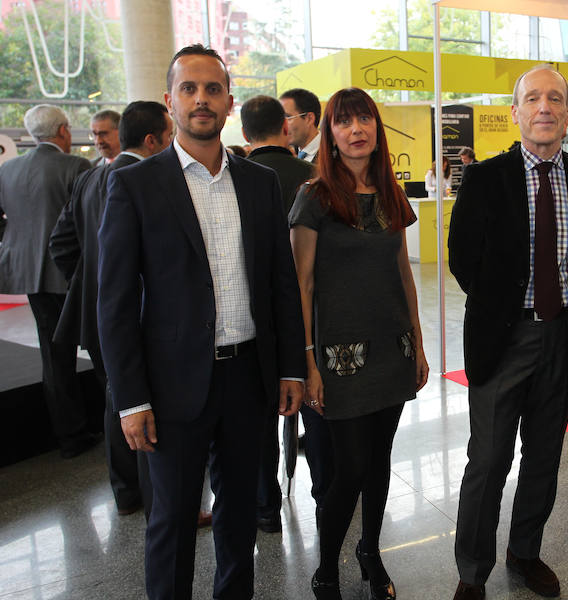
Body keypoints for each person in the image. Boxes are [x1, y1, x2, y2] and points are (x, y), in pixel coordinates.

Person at [97, 45, 306, 600]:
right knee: (171, 522)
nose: (201, 100)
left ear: (230, 102)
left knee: (239, 517)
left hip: (247, 378)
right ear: (170, 103)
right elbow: (114, 302)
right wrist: (131, 400)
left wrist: (290, 367)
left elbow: (281, 284)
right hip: (171, 387)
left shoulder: (259, 183)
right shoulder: (137, 185)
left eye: (213, 89)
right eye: (189, 89)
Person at [448, 64, 568, 600]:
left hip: (562, 337)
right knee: (489, 460)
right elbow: (463, 259)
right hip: (503, 340)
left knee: (544, 456)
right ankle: (472, 572)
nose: (545, 107)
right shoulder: (486, 178)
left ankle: (525, 551)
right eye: (533, 98)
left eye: (555, 98)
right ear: (515, 113)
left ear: (567, 113)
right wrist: (503, 306)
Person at [288, 86, 429, 600]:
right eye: (344, 122)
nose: (356, 130)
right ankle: (327, 564)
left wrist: (418, 341)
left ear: (376, 128)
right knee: (347, 469)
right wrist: (307, 362)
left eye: (364, 119)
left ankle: (370, 551)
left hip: (392, 349)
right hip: (338, 356)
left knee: (380, 459)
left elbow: (403, 274)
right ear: (329, 132)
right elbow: (300, 284)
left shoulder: (392, 192)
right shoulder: (316, 196)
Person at [50, 101, 174, 516]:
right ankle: (159, 500)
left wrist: (90, 287)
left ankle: (126, 494)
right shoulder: (142, 179)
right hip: (137, 314)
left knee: (116, 399)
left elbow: (62, 244)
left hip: (97, 316)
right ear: (154, 139)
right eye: (170, 136)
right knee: (143, 404)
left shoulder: (91, 178)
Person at [240, 94, 322, 534]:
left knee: (257, 416)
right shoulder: (313, 176)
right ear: (285, 127)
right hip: (310, 312)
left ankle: (265, 505)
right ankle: (322, 492)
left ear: (244, 131)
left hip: (254, 316)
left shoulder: (238, 178)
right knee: (309, 400)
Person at [0, 104, 96, 459]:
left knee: (53, 357)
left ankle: (69, 436)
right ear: (63, 131)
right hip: (71, 273)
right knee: (100, 349)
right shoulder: (76, 167)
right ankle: (112, 425)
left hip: (28, 272)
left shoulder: (8, 170)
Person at [281, 88, 322, 162]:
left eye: (287, 117)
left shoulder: (333, 154)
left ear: (309, 119)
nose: (281, 125)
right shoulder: (288, 155)